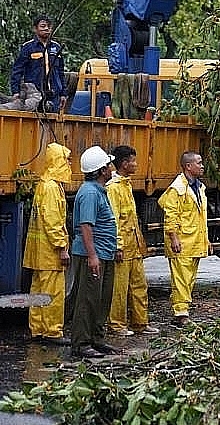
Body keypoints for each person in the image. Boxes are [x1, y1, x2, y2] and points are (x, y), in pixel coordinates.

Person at [68, 146, 120, 359]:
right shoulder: (89, 193)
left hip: (103, 253)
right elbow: (86, 226)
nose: (111, 168)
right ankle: (81, 343)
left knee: (101, 298)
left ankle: (97, 339)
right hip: (93, 254)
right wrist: (92, 256)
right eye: (109, 165)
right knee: (87, 299)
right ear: (101, 170)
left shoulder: (99, 190)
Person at [22, 143, 72, 346]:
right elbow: (52, 220)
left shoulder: (44, 184)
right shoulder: (52, 188)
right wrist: (61, 247)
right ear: (58, 161)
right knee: (53, 293)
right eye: (67, 159)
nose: (69, 163)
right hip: (50, 253)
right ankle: (52, 332)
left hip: (38, 252)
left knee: (38, 292)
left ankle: (38, 329)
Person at [107, 145, 159, 337]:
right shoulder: (113, 188)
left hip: (134, 245)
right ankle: (117, 325)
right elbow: (114, 219)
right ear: (124, 163)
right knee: (119, 289)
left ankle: (140, 322)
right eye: (133, 161)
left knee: (139, 285)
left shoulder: (125, 184)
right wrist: (118, 245)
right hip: (123, 247)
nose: (136, 165)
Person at [157, 151, 209, 328]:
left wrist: (206, 240)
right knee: (181, 279)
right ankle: (180, 313)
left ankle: (182, 309)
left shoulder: (198, 187)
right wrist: (173, 237)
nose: (202, 166)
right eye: (199, 163)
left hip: (193, 241)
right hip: (182, 242)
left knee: (188, 279)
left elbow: (201, 217)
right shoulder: (177, 188)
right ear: (188, 166)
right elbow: (170, 215)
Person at [10, 15, 67, 113]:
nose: (46, 29)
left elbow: (61, 72)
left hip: (54, 95)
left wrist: (63, 94)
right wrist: (15, 92)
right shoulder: (28, 47)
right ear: (35, 29)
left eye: (48, 26)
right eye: (43, 26)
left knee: (52, 124)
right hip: (34, 93)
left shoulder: (56, 47)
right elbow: (17, 70)